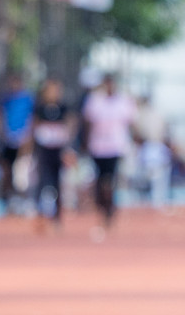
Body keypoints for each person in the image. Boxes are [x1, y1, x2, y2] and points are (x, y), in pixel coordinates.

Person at [82, 73, 138, 237]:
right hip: (98, 146)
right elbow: (88, 123)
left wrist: (134, 143)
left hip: (115, 147)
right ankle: (102, 206)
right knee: (100, 180)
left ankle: (109, 208)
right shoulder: (94, 100)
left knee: (110, 179)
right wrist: (85, 143)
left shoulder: (123, 101)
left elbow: (131, 123)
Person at [30, 77, 73, 231]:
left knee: (57, 184)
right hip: (43, 151)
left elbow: (68, 127)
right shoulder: (40, 108)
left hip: (58, 151)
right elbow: (33, 127)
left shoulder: (63, 108)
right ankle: (40, 215)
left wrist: (68, 150)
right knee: (42, 183)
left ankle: (57, 217)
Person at [0, 71, 33, 209]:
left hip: (23, 140)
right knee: (6, 170)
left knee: (22, 173)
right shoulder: (5, 99)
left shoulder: (28, 99)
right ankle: (8, 198)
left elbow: (31, 119)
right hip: (8, 140)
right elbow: (0, 116)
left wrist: (28, 138)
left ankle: (23, 200)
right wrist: (2, 132)